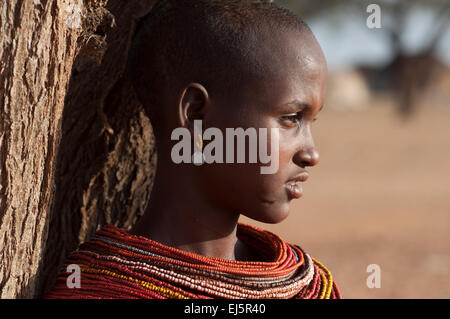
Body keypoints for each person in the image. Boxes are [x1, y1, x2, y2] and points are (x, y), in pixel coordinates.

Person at [46, 0, 341, 299]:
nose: (311, 155)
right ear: (196, 114)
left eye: (311, 120)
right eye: (290, 118)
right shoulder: (99, 291)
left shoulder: (308, 287)